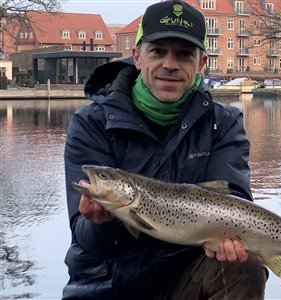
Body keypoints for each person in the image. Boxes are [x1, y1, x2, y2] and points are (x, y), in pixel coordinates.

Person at [62, 1, 267, 299]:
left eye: (184, 54)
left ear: (200, 63)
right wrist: (100, 224)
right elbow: (87, 243)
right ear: (137, 57)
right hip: (107, 285)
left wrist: (229, 239)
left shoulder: (222, 123)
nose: (170, 64)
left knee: (244, 266)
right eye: (158, 51)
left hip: (187, 275)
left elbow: (232, 197)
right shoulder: (91, 123)